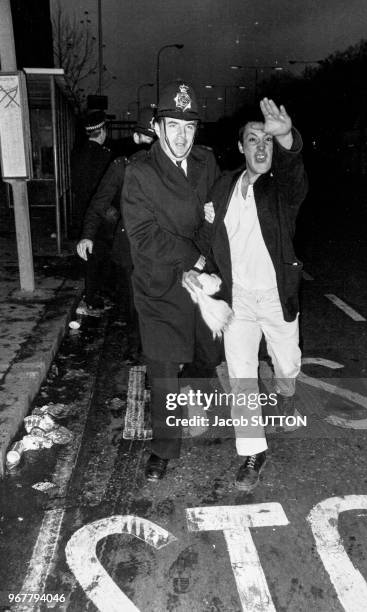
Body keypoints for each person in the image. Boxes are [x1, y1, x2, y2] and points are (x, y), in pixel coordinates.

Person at [184, 98, 308, 492]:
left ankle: (286, 387)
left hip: (275, 297)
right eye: (253, 140)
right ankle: (253, 452)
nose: (260, 148)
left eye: (266, 142)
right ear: (240, 147)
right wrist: (196, 269)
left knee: (287, 365)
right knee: (241, 376)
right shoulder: (223, 188)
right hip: (238, 301)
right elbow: (208, 240)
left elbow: (294, 173)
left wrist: (286, 135)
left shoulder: (280, 191)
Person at [121, 81, 221, 482]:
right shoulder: (139, 172)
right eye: (174, 126)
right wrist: (192, 257)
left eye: (190, 127)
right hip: (159, 284)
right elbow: (143, 234)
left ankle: (192, 395)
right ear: (157, 127)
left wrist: (208, 253)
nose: (182, 136)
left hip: (201, 288)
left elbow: (213, 217)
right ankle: (164, 448)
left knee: (209, 356)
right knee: (162, 369)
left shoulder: (205, 163)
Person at [76, 110, 156, 360]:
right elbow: (98, 202)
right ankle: (139, 348)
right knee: (133, 302)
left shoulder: (174, 168)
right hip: (129, 246)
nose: (151, 143)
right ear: (136, 137)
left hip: (161, 247)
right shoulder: (122, 166)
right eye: (146, 137)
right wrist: (87, 234)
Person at [71, 110, 113, 311]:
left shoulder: (77, 153)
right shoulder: (104, 157)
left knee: (88, 254)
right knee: (98, 255)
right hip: (100, 214)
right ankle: (92, 296)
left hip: (81, 210)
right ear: (102, 131)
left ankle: (91, 294)